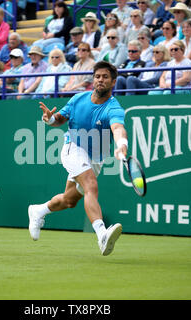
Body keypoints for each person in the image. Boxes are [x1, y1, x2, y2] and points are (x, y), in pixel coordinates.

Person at [28, 61, 128, 256]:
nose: (100, 80)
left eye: (105, 77)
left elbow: (118, 128)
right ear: (93, 79)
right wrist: (49, 119)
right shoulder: (77, 99)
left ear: (113, 82)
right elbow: (59, 120)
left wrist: (122, 144)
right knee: (91, 185)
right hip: (73, 148)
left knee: (69, 200)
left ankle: (38, 210)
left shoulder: (113, 108)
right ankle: (102, 234)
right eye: (97, 76)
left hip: (96, 158)